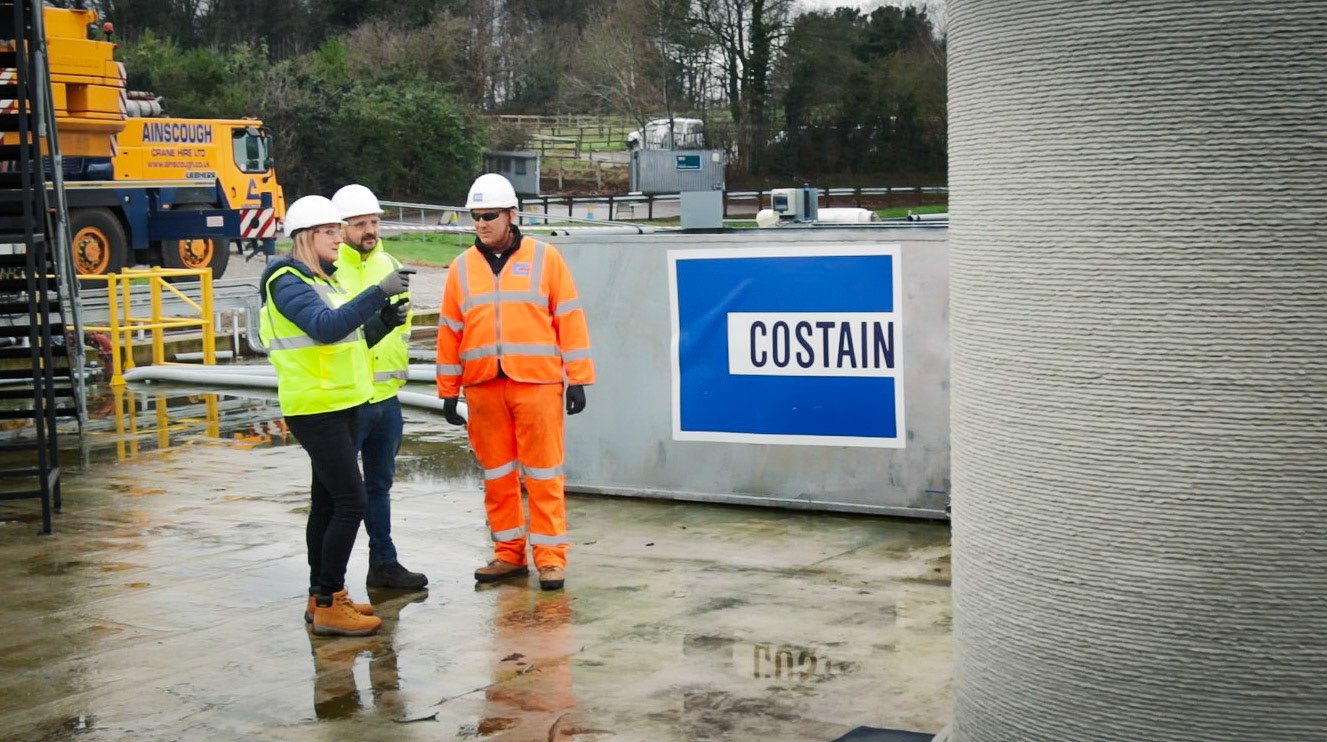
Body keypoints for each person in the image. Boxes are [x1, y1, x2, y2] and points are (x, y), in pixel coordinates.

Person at [259, 194, 413, 636]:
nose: (337, 237)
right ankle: (330, 599)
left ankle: (321, 595)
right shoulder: (286, 281)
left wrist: (382, 320)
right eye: (329, 231)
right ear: (307, 237)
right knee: (352, 501)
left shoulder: (320, 278)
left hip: (339, 404)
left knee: (328, 504)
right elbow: (324, 329)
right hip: (316, 408)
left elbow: (346, 338)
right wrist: (376, 293)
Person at [435, 173, 595, 591]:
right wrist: (448, 391)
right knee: (497, 475)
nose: (482, 224)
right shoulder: (461, 269)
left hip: (537, 384)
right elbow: (450, 332)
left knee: (544, 474)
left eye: (489, 216)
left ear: (511, 215)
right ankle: (508, 555)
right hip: (484, 385)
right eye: (475, 217)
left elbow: (570, 318)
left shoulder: (546, 259)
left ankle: (550, 559)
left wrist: (577, 378)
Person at [331, 184, 428, 590]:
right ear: (342, 228)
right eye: (360, 224)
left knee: (380, 487)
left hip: (386, 399)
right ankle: (328, 581)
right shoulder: (330, 268)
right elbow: (336, 332)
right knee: (338, 497)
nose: (370, 230)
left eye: (374, 222)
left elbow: (400, 329)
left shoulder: (388, 262)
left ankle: (383, 564)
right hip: (349, 398)